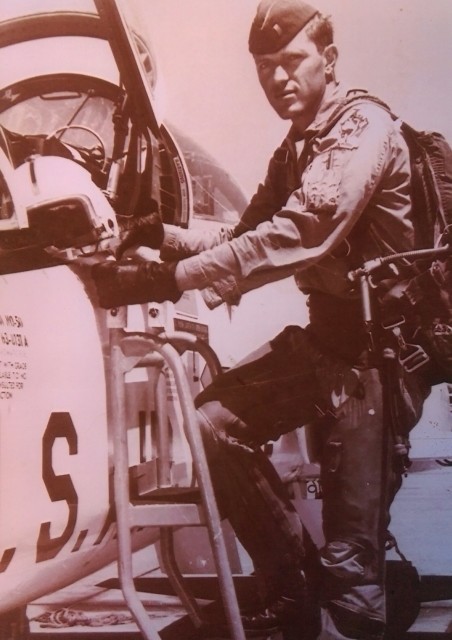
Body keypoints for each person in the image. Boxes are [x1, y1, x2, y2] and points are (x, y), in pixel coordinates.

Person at [92, 1, 430, 637]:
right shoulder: (296, 152)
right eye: (265, 68)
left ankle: (342, 590)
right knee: (210, 427)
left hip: (377, 362)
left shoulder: (362, 129)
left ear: (329, 63)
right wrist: (158, 234)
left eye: (292, 62)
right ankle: (291, 586)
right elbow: (243, 239)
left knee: (355, 583)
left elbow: (299, 234)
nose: (278, 79)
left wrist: (169, 276)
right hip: (328, 342)